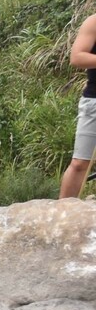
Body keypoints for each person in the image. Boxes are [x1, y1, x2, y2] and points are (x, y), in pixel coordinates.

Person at [59, 13, 96, 198]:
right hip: (94, 101)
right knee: (80, 163)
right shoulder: (94, 21)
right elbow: (77, 57)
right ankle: (62, 218)